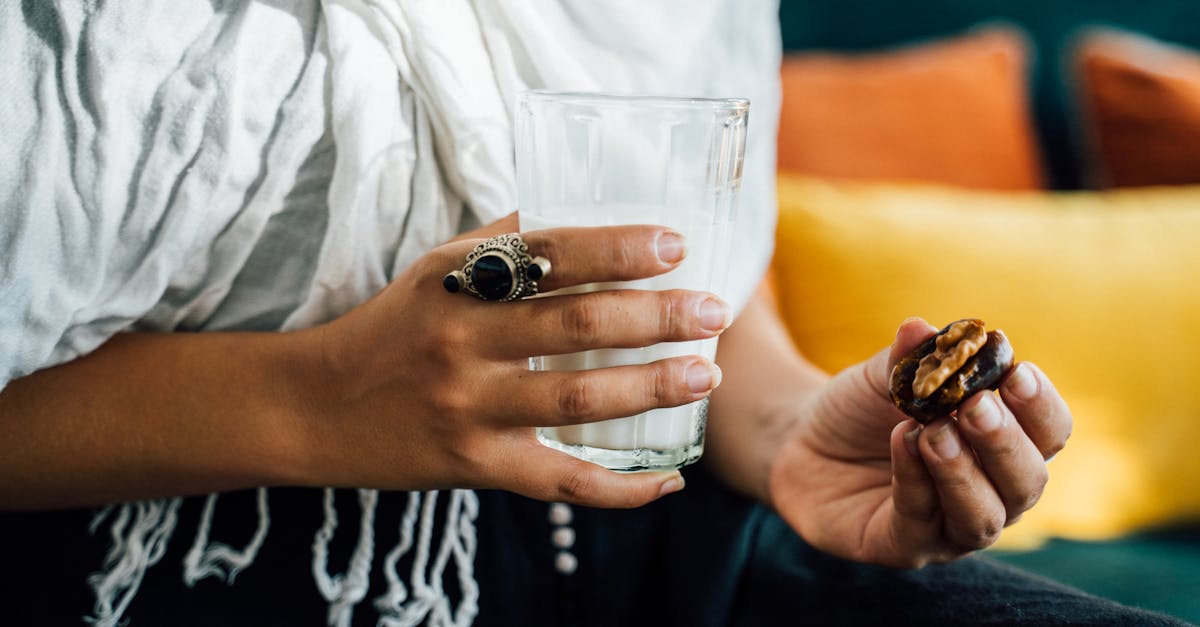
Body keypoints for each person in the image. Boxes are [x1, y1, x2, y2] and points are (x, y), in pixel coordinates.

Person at [0, 2, 1185, 626]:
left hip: (659, 534)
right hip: (157, 565)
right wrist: (307, 400)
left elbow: (718, 286)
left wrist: (783, 434)